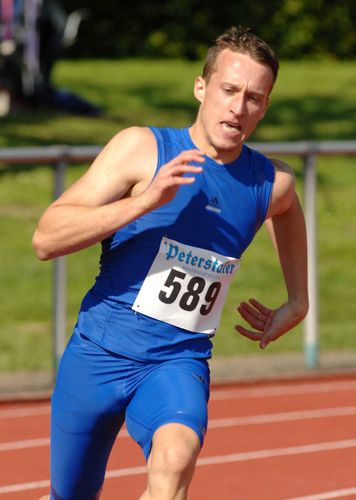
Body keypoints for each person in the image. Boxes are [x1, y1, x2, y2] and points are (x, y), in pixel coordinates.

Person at [33, 25, 308, 500]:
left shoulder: (270, 182)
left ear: (265, 106)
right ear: (201, 87)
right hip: (98, 353)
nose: (238, 108)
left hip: (178, 360)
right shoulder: (141, 148)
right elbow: (46, 238)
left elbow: (287, 209)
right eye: (229, 91)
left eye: (255, 99)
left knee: (175, 462)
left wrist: (298, 302)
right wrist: (143, 202)